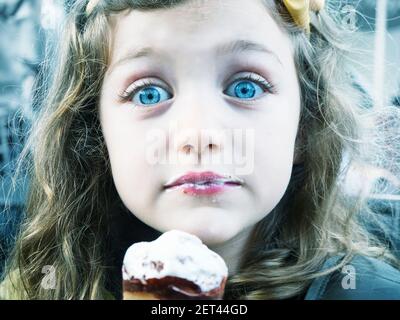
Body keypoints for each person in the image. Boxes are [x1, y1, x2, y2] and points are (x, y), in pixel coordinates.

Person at [1, 0, 399, 300]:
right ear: (97, 135)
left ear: (304, 128)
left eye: (246, 87)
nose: (198, 134)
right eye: (149, 93)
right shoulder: (37, 288)